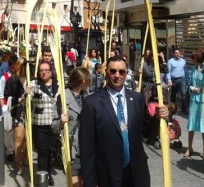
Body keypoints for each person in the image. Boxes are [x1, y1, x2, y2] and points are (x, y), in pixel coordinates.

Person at [80, 55, 169, 187]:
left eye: (121, 71)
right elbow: (87, 148)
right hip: (107, 175)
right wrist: (90, 182)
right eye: (113, 71)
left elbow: (146, 133)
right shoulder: (92, 103)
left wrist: (157, 118)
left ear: (126, 73)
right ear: (106, 72)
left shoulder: (137, 98)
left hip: (136, 173)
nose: (117, 75)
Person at [52, 67, 91, 187]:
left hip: (88, 147)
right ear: (82, 80)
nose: (90, 81)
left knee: (86, 182)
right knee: (75, 184)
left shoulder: (89, 97)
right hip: (71, 148)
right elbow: (53, 126)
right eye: (87, 79)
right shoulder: (63, 98)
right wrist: (61, 122)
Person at [28, 60, 60, 186]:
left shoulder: (58, 84)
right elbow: (25, 100)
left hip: (54, 123)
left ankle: (48, 173)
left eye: (46, 70)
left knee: (50, 151)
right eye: (41, 70)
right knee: (42, 151)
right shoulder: (33, 85)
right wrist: (26, 94)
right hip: (40, 124)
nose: (44, 72)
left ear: (51, 72)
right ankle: (42, 178)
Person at [183, 50, 204, 160]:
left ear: (198, 59)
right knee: (191, 123)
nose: (192, 60)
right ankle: (189, 147)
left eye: (193, 58)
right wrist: (192, 88)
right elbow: (191, 84)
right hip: (194, 99)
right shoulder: (193, 69)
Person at [4, 57, 29, 175]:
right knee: (19, 139)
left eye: (25, 66)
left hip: (30, 112)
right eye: (21, 66)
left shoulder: (31, 79)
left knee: (27, 140)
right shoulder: (12, 80)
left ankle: (24, 158)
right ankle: (18, 165)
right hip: (18, 112)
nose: (23, 69)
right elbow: (6, 95)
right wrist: (17, 99)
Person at [0, 54, 18, 163]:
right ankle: (10, 151)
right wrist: (3, 107)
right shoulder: (4, 77)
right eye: (12, 67)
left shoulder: (21, 76)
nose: (14, 69)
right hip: (8, 107)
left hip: (18, 107)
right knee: (8, 130)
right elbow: (0, 94)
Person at [167, 47, 188, 113]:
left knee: (183, 94)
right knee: (173, 95)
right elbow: (168, 71)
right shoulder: (170, 61)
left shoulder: (183, 61)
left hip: (182, 79)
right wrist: (169, 80)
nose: (177, 54)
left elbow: (186, 71)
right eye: (176, 53)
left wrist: (187, 80)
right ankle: (172, 109)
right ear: (173, 54)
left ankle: (184, 109)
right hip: (174, 80)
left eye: (178, 53)